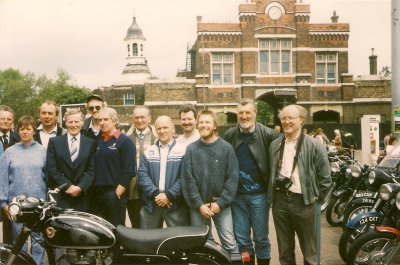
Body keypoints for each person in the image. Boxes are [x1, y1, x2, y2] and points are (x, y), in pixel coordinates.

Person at [268, 104, 332, 265]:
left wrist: (316, 200)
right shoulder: (275, 145)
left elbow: (325, 178)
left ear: (301, 120)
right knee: (284, 252)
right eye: (283, 118)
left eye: (291, 117)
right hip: (280, 202)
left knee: (310, 253)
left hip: (304, 202)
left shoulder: (314, 145)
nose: (286, 121)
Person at [224, 99, 279, 265]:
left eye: (248, 112)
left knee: (261, 238)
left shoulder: (269, 135)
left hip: (259, 196)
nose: (244, 116)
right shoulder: (229, 135)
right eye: (241, 113)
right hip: (237, 196)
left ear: (255, 113)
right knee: (242, 240)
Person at [181, 110, 239, 253]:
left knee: (230, 243)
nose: (203, 125)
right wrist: (199, 205)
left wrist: (220, 203)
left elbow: (232, 178)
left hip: (221, 205)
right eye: (201, 122)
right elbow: (188, 180)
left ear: (214, 125)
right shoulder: (191, 149)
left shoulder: (226, 148)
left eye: (207, 122)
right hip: (198, 207)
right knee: (202, 245)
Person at [0, 116, 47, 265]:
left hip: (39, 205)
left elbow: (48, 178)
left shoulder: (43, 151)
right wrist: (3, 203)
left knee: (39, 240)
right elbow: (2, 179)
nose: (25, 132)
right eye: (22, 129)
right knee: (19, 241)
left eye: (28, 129)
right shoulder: (9, 152)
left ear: (34, 130)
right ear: (17, 130)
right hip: (17, 205)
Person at [138, 115, 189, 228]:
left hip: (174, 204)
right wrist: (156, 194)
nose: (162, 131)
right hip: (152, 203)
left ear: (173, 129)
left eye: (165, 127)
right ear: (155, 131)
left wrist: (169, 196)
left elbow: (185, 177)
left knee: (179, 241)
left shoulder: (183, 150)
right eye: (159, 128)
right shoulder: (149, 151)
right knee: (148, 241)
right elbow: (142, 174)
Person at [90, 107, 136, 227]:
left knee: (116, 232)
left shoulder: (125, 141)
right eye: (100, 120)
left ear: (115, 121)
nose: (102, 123)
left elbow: (129, 171)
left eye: (106, 119)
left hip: (114, 194)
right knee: (100, 233)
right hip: (96, 195)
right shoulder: (98, 141)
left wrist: (116, 195)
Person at [46, 109, 97, 211]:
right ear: (65, 123)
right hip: (61, 195)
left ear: (82, 123)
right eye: (70, 122)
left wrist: (80, 187)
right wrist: (68, 187)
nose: (73, 125)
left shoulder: (91, 143)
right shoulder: (54, 142)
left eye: (76, 121)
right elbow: (52, 168)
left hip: (83, 196)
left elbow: (92, 170)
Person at [125, 106, 157, 228]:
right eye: (136, 117)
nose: (139, 120)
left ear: (149, 118)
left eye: (142, 117)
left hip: (152, 189)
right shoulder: (127, 139)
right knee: (136, 225)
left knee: (154, 227)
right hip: (133, 190)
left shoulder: (157, 138)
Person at [0, 105, 20, 245]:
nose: (6, 121)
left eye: (9, 119)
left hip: (10, 189)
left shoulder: (18, 138)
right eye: (2, 118)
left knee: (10, 225)